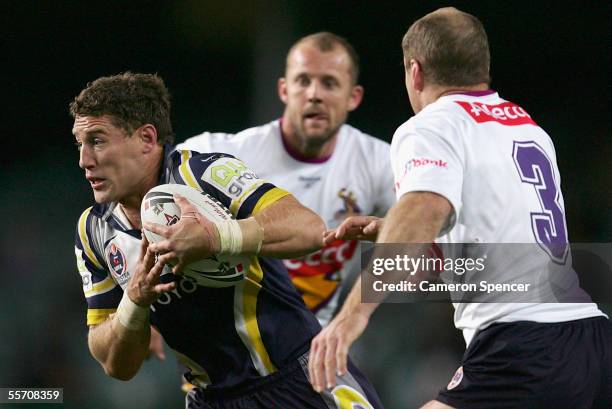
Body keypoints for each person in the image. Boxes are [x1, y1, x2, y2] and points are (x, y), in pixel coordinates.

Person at [307, 7, 611, 409]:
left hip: (523, 345)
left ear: (414, 71)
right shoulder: (528, 128)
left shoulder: (432, 125)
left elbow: (424, 211)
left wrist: (351, 317)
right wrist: (394, 227)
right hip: (590, 339)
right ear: (481, 67)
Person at [71, 72, 383, 408]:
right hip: (210, 399)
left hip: (300, 379)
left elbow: (307, 227)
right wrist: (133, 303)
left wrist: (217, 236)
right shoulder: (94, 231)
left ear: (147, 138)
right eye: (80, 144)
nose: (84, 160)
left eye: (98, 141)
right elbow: (115, 364)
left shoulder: (203, 175)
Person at [179, 32, 395, 326]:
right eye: (303, 81)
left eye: (329, 83)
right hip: (235, 338)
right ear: (284, 90)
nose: (314, 94)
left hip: (313, 338)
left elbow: (439, 242)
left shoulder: (379, 162)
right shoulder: (229, 154)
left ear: (353, 97)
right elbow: (154, 181)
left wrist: (356, 312)